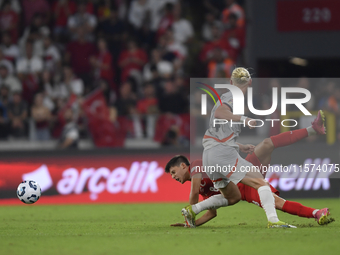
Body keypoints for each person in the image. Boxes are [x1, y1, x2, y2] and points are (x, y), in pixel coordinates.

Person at [165, 111, 330, 226]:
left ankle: (312, 129)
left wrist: (190, 215)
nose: (173, 176)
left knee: (266, 143)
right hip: (243, 187)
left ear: (183, 165)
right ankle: (316, 213)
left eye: (173, 172)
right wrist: (192, 225)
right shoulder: (204, 189)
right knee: (278, 203)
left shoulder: (197, 166)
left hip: (243, 169)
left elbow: (193, 193)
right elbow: (212, 213)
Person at [182, 67, 296, 228]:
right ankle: (273, 221)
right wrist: (245, 119)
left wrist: (239, 146)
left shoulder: (224, 97)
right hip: (222, 153)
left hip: (209, 154)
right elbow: (220, 114)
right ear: (250, 82)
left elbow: (220, 127)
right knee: (261, 183)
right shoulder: (234, 97)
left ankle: (194, 209)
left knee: (232, 196)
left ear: (230, 82)